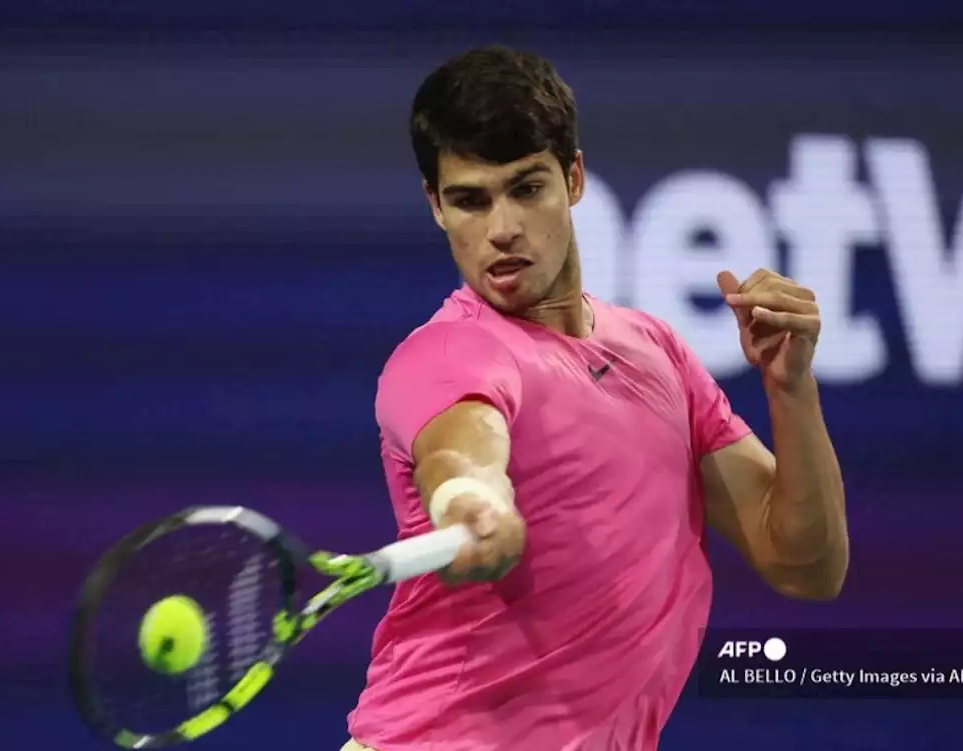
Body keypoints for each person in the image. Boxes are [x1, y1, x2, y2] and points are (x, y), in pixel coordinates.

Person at [342, 45, 848, 751]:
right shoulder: (447, 354)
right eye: (469, 199)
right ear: (435, 206)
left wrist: (790, 390)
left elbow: (806, 565)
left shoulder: (658, 351)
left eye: (527, 188)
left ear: (573, 179)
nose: (502, 228)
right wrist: (472, 501)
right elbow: (461, 449)